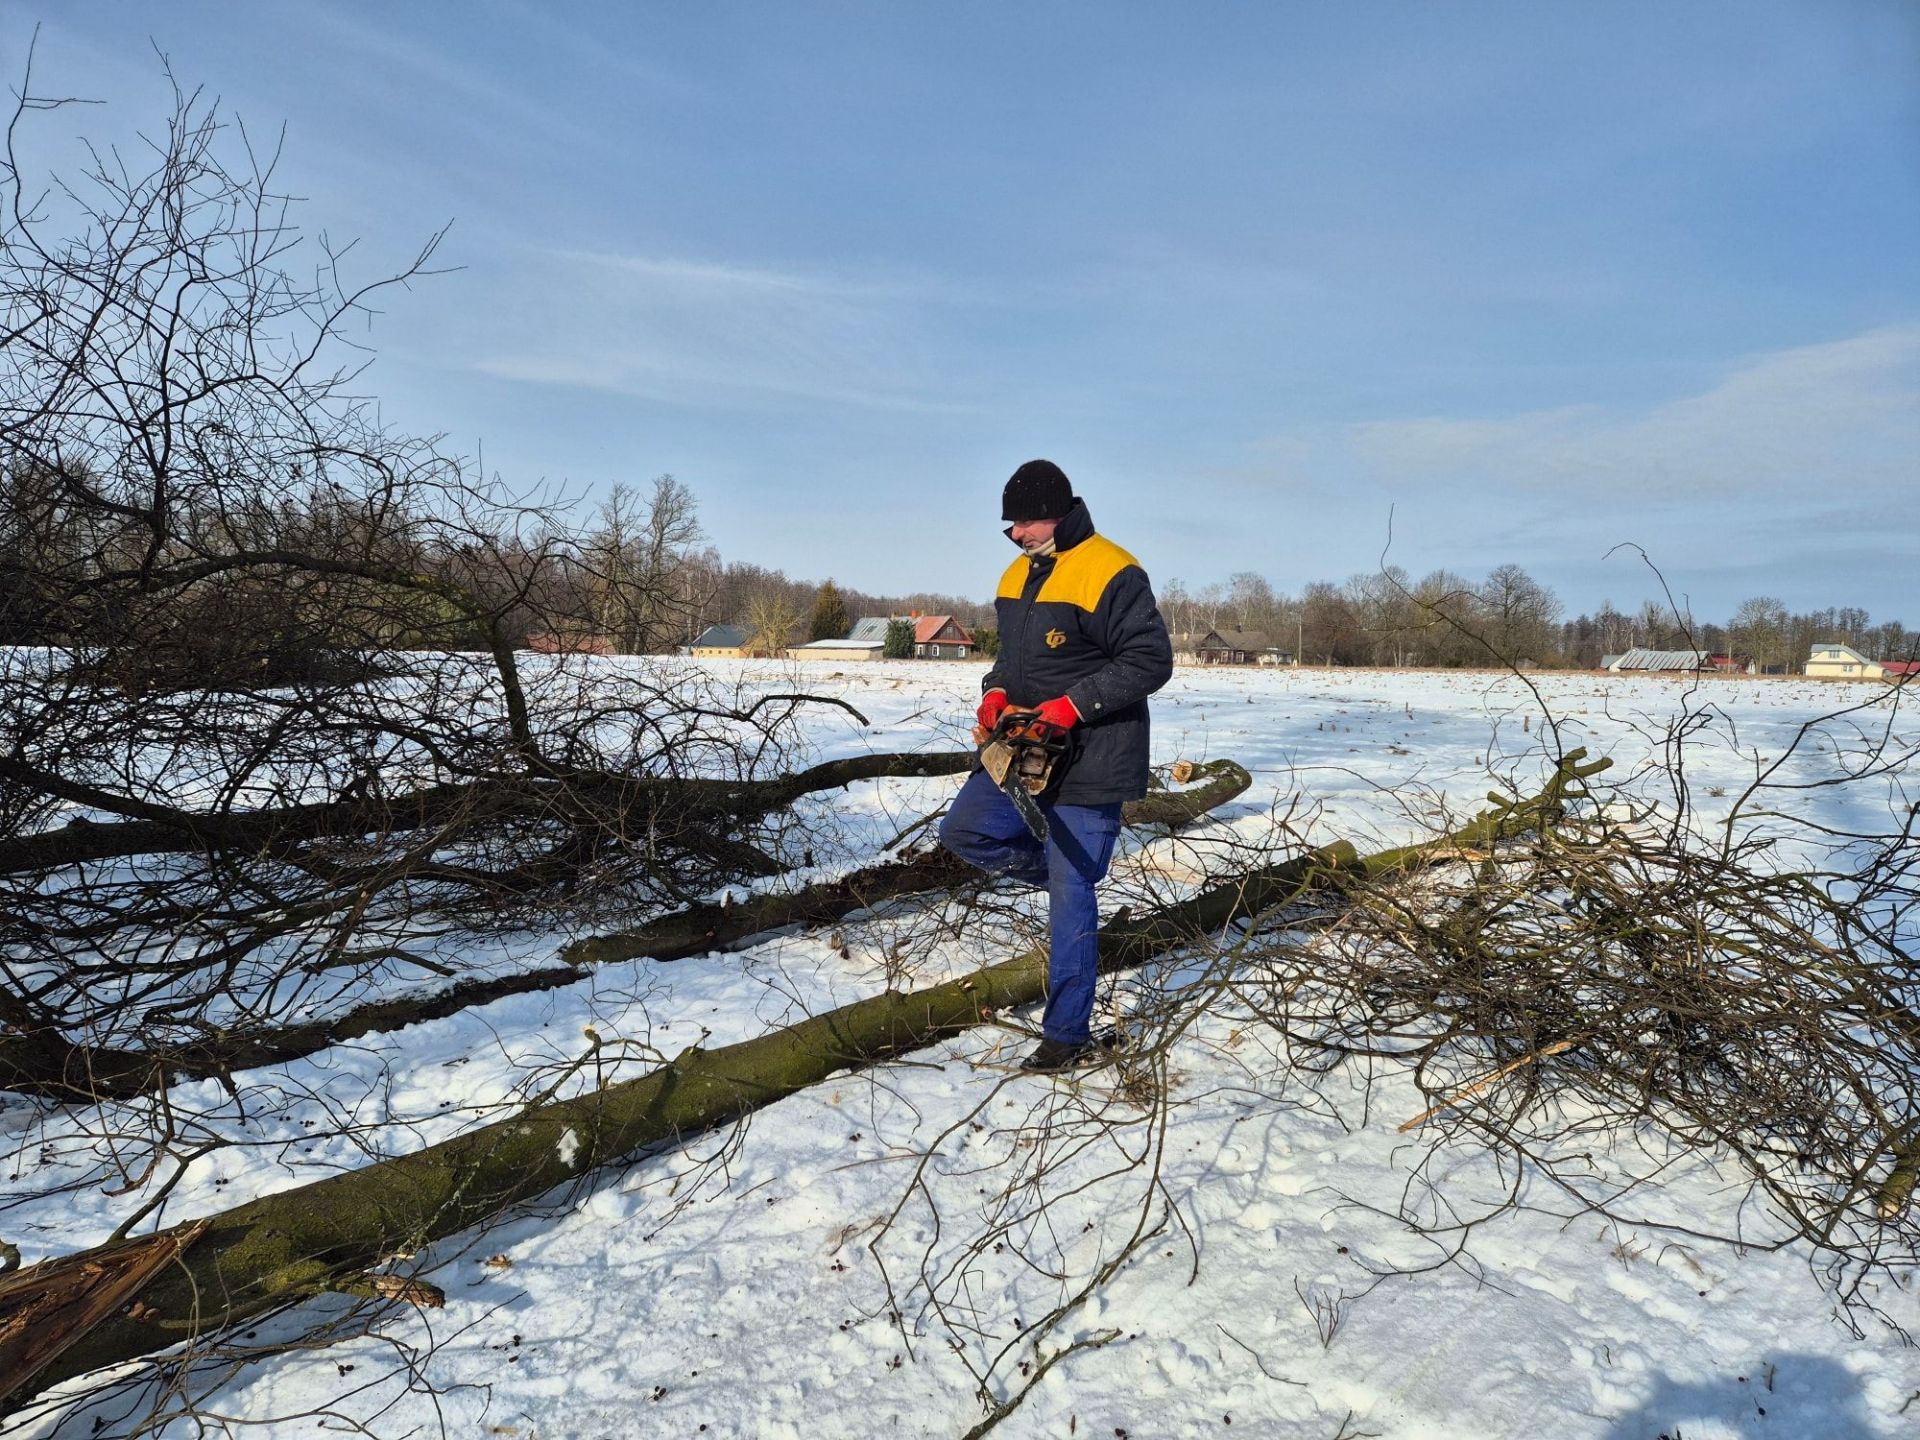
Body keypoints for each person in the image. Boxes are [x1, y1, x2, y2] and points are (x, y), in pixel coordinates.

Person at [938, 459, 1175, 1072]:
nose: (1016, 534)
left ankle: (1066, 1036)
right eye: (1011, 525)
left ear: (1058, 512)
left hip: (1096, 755)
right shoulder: (1017, 572)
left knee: (1072, 893)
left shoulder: (1113, 569)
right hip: (1024, 749)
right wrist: (994, 691)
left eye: (1025, 522)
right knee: (965, 831)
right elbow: (1011, 661)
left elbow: (1150, 660)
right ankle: (1072, 881)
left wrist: (1072, 707)